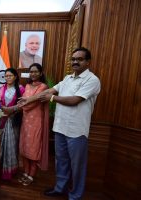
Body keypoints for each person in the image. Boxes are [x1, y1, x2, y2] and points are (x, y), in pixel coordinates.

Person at [19, 47, 101, 199]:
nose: (75, 62)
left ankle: (75, 195)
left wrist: (51, 98)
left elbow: (75, 100)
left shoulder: (92, 80)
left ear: (88, 62)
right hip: (60, 128)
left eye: (80, 59)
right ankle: (60, 188)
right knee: (61, 162)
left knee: (77, 166)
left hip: (77, 131)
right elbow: (48, 91)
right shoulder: (67, 79)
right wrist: (28, 100)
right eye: (73, 59)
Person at [17, 63, 49, 186]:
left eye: (36, 71)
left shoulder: (43, 87)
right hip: (26, 121)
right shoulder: (28, 85)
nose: (33, 74)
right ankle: (25, 172)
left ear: (40, 73)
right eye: (31, 72)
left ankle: (31, 175)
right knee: (25, 147)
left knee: (34, 148)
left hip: (36, 122)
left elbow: (31, 104)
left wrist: (18, 106)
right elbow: (23, 102)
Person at [0, 68, 25, 180]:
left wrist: (11, 110)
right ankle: (0, 169)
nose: (7, 78)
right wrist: (1, 108)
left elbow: (23, 105)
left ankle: (9, 170)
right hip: (2, 119)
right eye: (6, 76)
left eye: (10, 75)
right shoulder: (2, 88)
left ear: (15, 77)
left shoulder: (21, 89)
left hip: (14, 120)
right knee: (0, 145)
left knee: (12, 145)